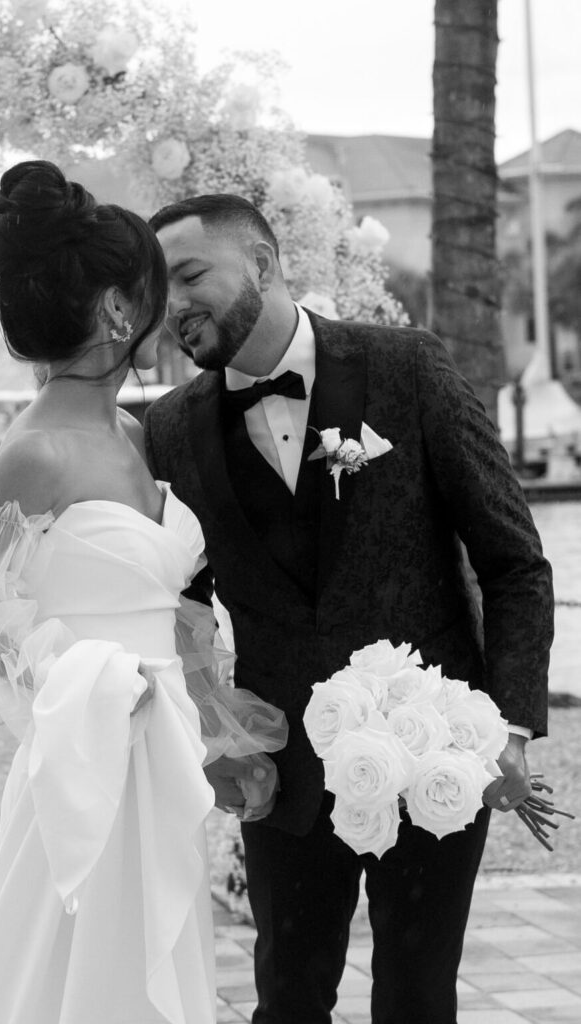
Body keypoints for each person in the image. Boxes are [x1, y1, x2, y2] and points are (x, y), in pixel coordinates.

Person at [144, 194, 555, 1024]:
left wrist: (506, 728)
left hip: (432, 753)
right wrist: (218, 726)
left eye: (190, 275)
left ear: (260, 264)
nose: (173, 304)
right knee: (286, 998)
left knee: (415, 999)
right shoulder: (169, 427)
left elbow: (514, 563)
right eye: (160, 288)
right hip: (280, 772)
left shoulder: (407, 367)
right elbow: (174, 599)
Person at [0, 165, 287, 1024]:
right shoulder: (33, 455)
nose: (168, 311)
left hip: (159, 756)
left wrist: (208, 716)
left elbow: (169, 606)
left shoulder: (128, 432)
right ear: (120, 310)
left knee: (152, 961)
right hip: (85, 755)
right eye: (157, 290)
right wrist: (89, 680)